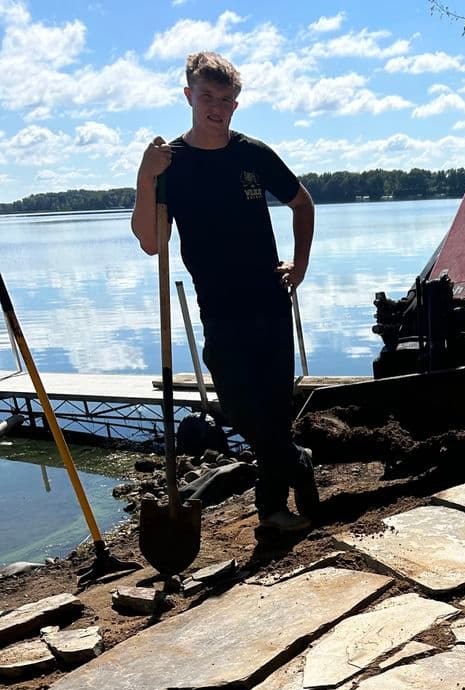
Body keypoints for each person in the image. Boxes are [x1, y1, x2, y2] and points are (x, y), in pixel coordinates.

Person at [131, 50, 319, 535]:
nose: (217, 106)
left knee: (275, 409)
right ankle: (298, 462)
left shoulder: (253, 154)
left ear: (236, 104)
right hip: (219, 309)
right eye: (208, 96)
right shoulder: (171, 164)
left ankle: (272, 512)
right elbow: (153, 243)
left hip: (271, 300)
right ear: (188, 95)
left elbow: (302, 203)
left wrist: (299, 264)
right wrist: (145, 176)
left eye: (227, 99)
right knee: (237, 406)